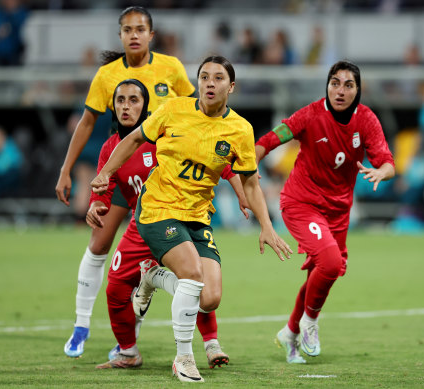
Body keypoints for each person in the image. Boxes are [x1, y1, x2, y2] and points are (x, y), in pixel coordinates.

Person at [91, 55, 292, 383]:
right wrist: (106, 172)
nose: (210, 84)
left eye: (218, 78)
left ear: (232, 86)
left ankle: (152, 276)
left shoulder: (239, 129)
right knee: (192, 274)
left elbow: (251, 181)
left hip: (198, 217)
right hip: (157, 209)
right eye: (204, 77)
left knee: (210, 298)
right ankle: (183, 358)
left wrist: (266, 226)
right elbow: (134, 139)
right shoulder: (173, 109)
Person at [61, 6, 196, 358]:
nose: (134, 34)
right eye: (127, 29)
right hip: (123, 170)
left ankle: (132, 333)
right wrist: (66, 169)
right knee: (98, 243)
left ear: (152, 35)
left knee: (147, 255)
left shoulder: (172, 68)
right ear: (119, 35)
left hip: (163, 177)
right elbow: (87, 122)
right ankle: (81, 324)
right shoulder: (107, 75)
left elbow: (196, 109)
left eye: (140, 29)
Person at [88, 79, 243, 369]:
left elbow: (214, 159)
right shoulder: (111, 147)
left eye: (134, 100)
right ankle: (128, 351)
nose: (126, 106)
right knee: (116, 287)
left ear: (146, 105)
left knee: (195, 276)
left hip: (177, 217)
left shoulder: (162, 131)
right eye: (120, 100)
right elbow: (104, 189)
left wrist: (240, 189)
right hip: (140, 224)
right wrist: (96, 205)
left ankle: (210, 342)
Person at [255, 60, 394, 364]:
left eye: (348, 85)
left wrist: (382, 172)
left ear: (358, 90)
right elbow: (268, 141)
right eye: (335, 83)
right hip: (301, 202)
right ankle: (309, 322)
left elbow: (387, 161)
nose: (340, 90)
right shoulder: (310, 114)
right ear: (327, 85)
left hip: (338, 210)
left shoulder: (367, 120)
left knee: (327, 270)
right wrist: (247, 167)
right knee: (330, 263)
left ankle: (290, 333)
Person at [0, 0, 28, 66]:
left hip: (15, 51)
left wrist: (13, 12)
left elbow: (20, 25)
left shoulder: (21, 12)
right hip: (0, 52)